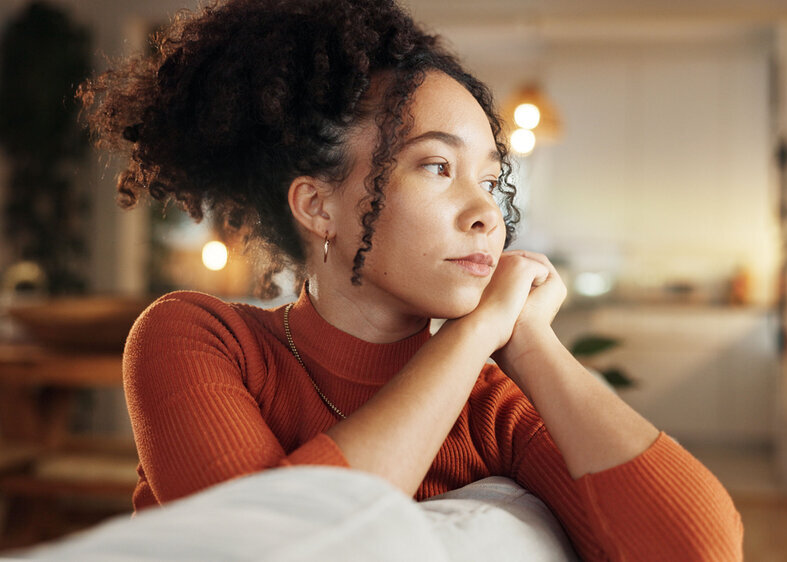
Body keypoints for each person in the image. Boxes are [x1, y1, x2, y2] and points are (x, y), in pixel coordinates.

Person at [79, 0, 743, 559]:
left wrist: (529, 342)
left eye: (490, 180)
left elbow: (701, 550)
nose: (487, 212)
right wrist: (480, 327)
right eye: (436, 167)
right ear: (317, 207)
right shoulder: (198, 337)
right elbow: (276, 548)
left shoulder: (492, 402)